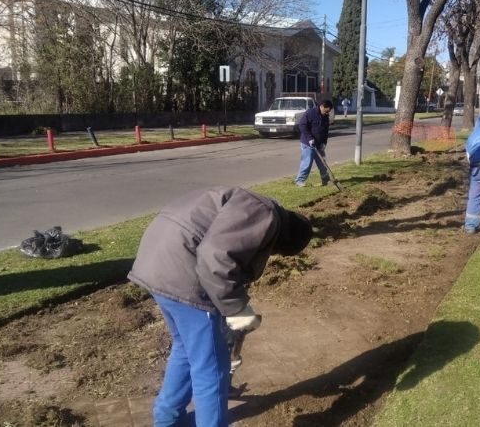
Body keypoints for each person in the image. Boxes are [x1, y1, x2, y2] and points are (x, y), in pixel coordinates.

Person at [128, 187, 313, 427]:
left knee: (184, 348)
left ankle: (167, 419)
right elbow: (217, 258)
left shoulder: (247, 201)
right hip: (183, 274)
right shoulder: (264, 214)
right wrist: (236, 308)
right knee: (212, 369)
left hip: (156, 262)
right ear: (283, 238)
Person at [294, 99, 333, 187]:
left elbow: (325, 131)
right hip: (308, 143)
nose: (327, 113)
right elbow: (302, 125)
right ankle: (299, 181)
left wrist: (324, 143)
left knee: (322, 163)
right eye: (326, 111)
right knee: (307, 162)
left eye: (328, 111)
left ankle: (325, 180)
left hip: (319, 144)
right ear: (322, 106)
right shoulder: (310, 113)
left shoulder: (325, 116)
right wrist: (310, 138)